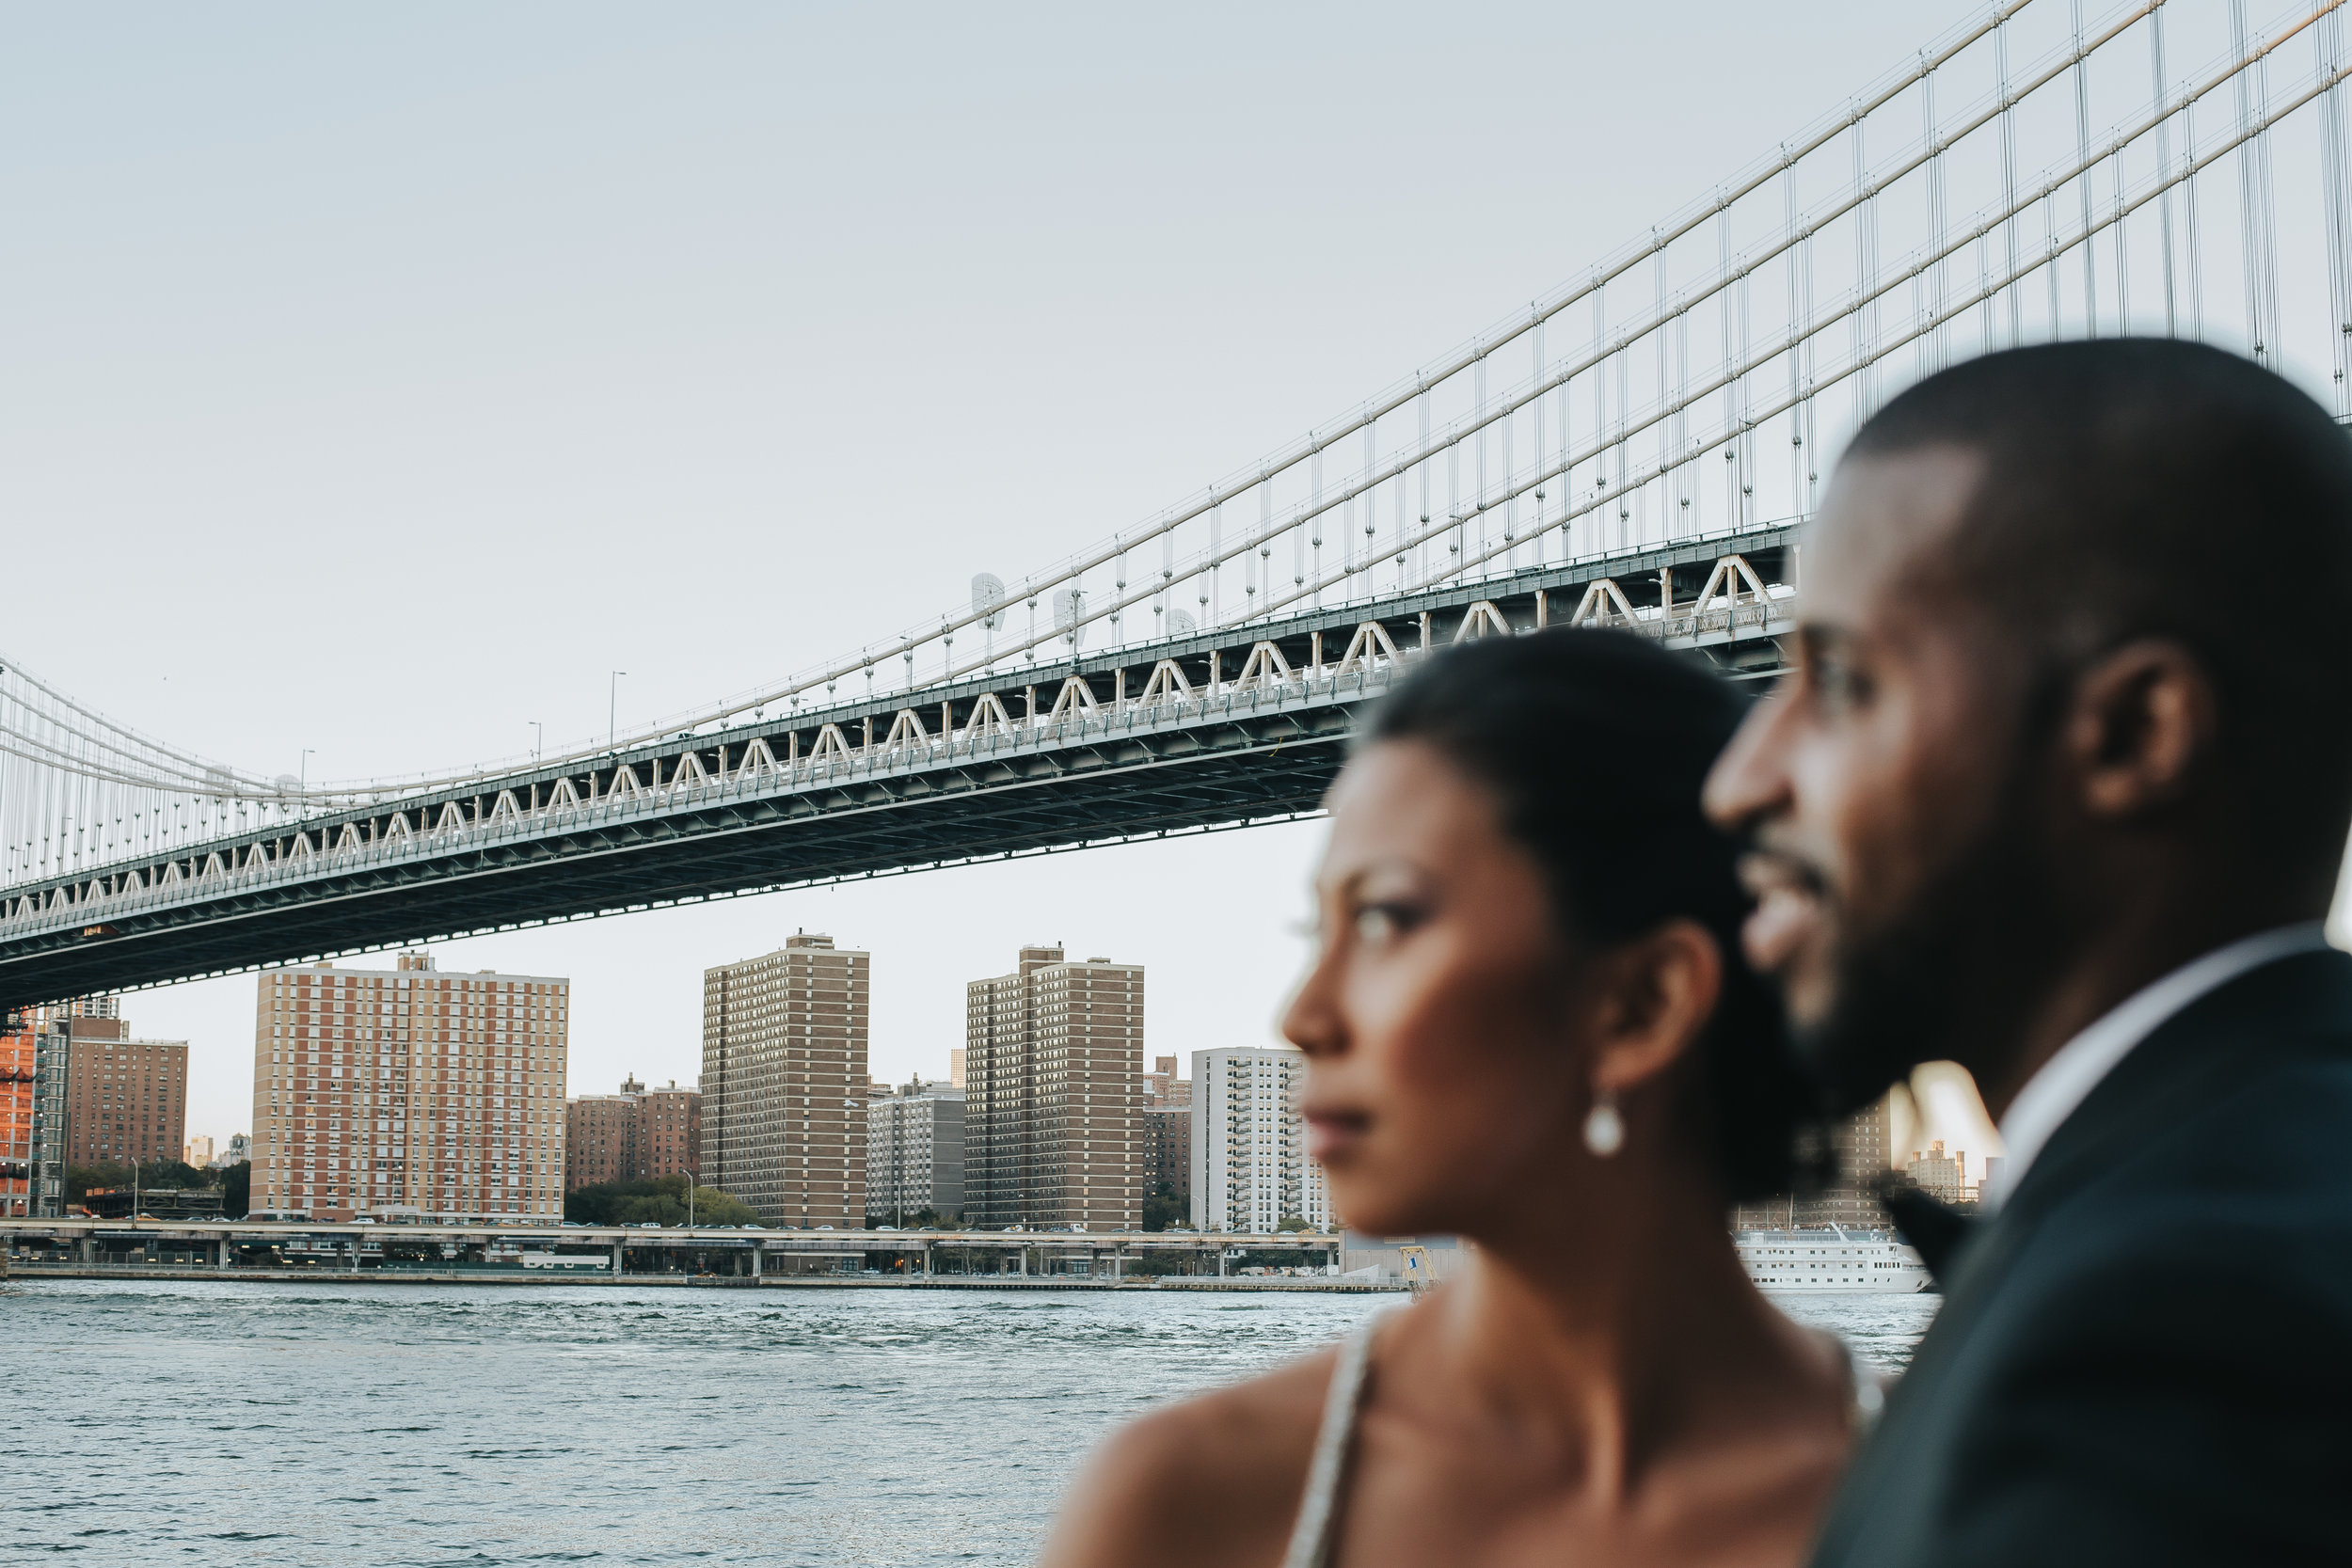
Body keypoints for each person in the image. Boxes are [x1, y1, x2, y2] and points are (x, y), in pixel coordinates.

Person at [1703, 338, 2352, 1567]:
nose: (1741, 778)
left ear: (2135, 734)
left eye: (1838, 680)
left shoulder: (2169, 1331)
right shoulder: (2237, 1193)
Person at [1041, 629, 1867, 1568]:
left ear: (1641, 1003)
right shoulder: (1189, 1503)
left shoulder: (1971, 1499)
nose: (1301, 1014)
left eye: (1386, 918)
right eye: (1321, 928)